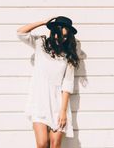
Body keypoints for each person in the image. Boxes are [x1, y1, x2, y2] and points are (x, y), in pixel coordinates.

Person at [17, 16, 81, 148]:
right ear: (52, 32)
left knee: (54, 144)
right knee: (42, 144)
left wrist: (63, 111)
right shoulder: (40, 44)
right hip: (39, 101)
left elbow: (67, 84)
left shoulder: (68, 55)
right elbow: (21, 33)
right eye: (58, 35)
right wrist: (43, 22)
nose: (60, 39)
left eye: (64, 36)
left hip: (59, 104)